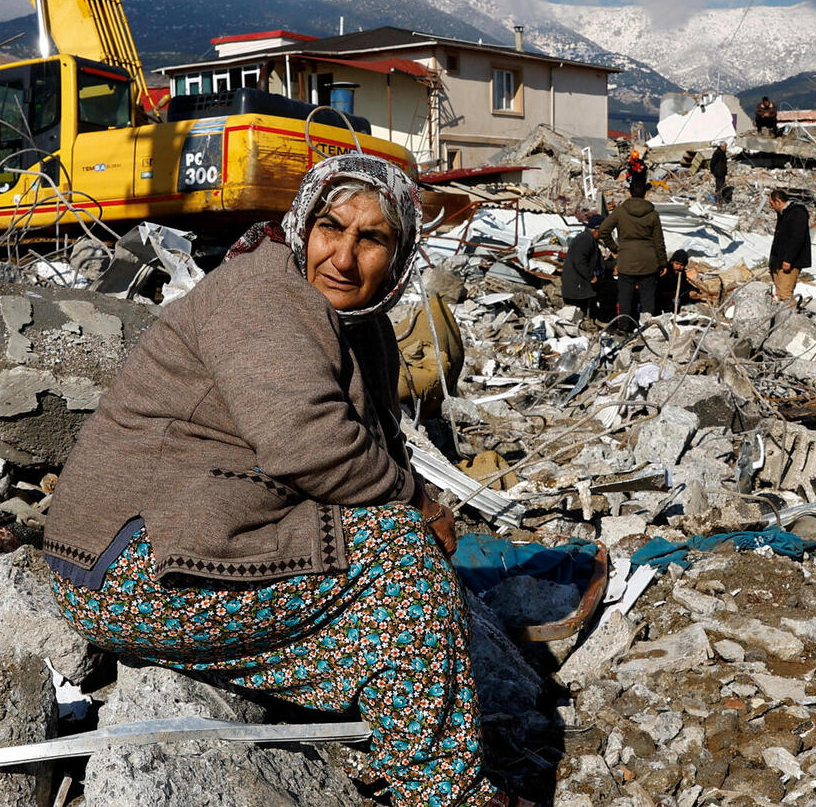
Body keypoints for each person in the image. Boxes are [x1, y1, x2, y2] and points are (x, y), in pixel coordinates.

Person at [42, 154, 524, 807]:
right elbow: (314, 448)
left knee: (403, 573)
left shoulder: (363, 325)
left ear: (401, 253)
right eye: (332, 228)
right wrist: (415, 503)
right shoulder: (263, 297)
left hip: (196, 534)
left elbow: (375, 444)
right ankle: (448, 793)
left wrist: (415, 501)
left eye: (372, 238)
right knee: (397, 557)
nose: (345, 258)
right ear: (303, 226)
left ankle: (399, 728)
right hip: (127, 566)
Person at [602, 179, 667, 328]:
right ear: (646, 193)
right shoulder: (653, 214)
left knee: (625, 296)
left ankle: (624, 327)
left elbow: (604, 230)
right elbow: (659, 241)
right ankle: (647, 328)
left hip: (626, 260)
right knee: (647, 299)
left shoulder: (620, 211)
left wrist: (615, 249)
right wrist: (662, 262)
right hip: (648, 262)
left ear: (629, 193)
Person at [768, 187, 811, 303]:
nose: (770, 207)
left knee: (785, 295)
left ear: (778, 201)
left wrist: (788, 259)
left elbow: (797, 238)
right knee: (780, 294)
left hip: (789, 262)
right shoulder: (783, 214)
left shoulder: (797, 213)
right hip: (778, 261)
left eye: (772, 203)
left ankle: (792, 318)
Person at [561, 213, 606, 317]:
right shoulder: (585, 239)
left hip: (580, 283)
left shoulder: (590, 239)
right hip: (577, 284)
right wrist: (590, 276)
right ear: (596, 230)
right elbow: (579, 261)